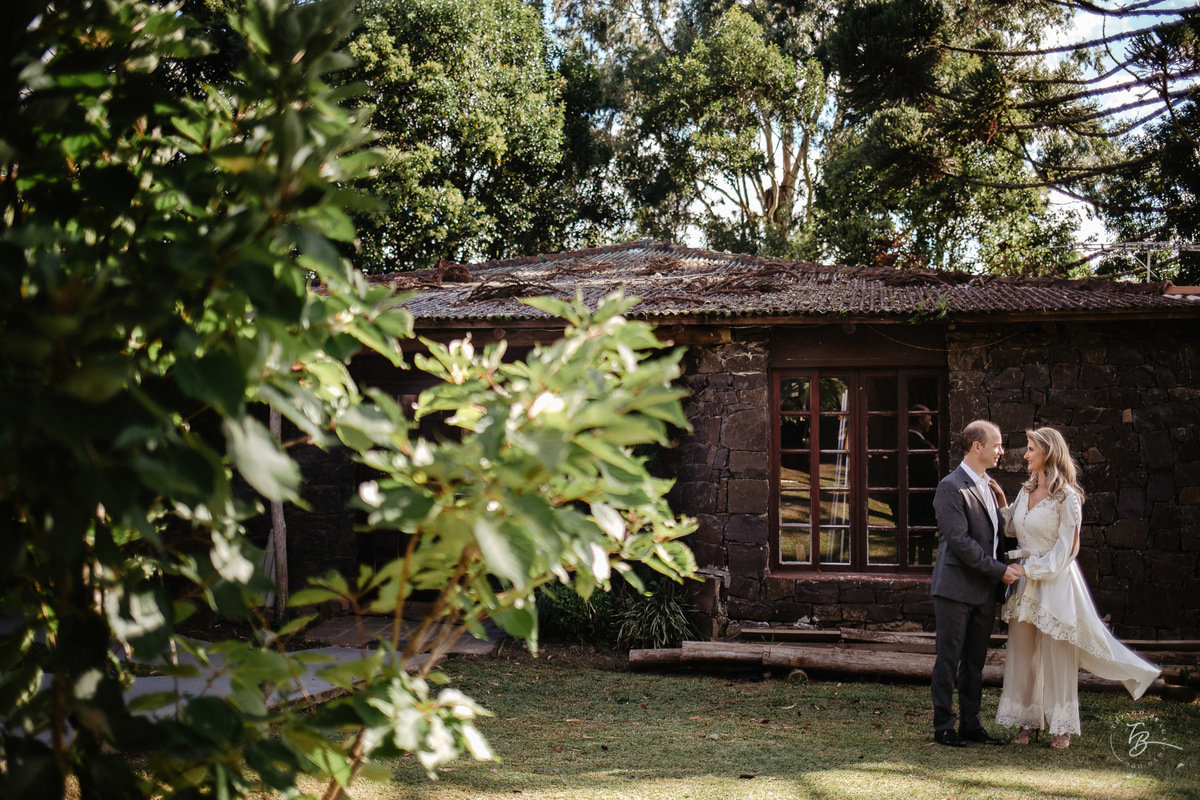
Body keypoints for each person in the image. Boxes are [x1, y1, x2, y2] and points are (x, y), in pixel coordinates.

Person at [995, 427, 1161, 750]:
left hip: (1054, 582)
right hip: (1024, 584)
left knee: (1058, 655)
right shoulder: (1025, 490)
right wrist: (1003, 501)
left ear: (1048, 453)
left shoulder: (1068, 498)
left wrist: (1030, 569)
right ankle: (1028, 723)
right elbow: (1013, 528)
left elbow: (1065, 551)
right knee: (1023, 653)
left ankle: (1062, 727)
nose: (1025, 454)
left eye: (1030, 449)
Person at [930, 420, 1024, 747]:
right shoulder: (950, 486)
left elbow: (997, 537)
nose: (1002, 451)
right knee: (948, 659)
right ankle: (943, 726)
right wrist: (999, 570)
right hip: (955, 588)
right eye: (997, 445)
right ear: (977, 447)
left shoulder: (989, 486)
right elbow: (959, 541)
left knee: (975, 663)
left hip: (984, 591)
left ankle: (972, 725)